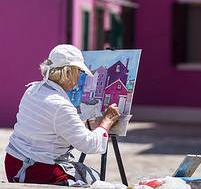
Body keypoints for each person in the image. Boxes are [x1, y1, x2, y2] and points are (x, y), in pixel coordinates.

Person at [4, 44, 120, 186]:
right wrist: (106, 122)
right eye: (78, 71)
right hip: (35, 170)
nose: (79, 76)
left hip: (14, 164)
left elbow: (52, 125)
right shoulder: (60, 105)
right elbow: (90, 145)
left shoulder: (32, 90)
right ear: (67, 72)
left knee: (88, 174)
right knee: (96, 181)